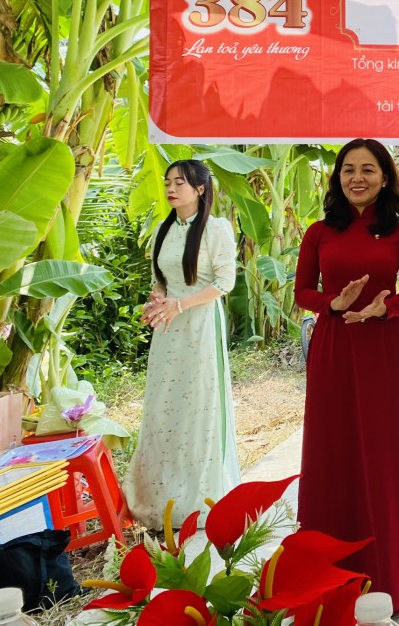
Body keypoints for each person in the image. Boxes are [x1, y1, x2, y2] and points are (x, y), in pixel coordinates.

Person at [294, 139, 399, 613]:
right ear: (338, 177)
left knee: (387, 455)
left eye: (368, 169)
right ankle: (327, 581)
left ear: (385, 177)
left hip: (385, 349)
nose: (357, 177)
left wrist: (383, 308)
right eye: (349, 169)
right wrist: (331, 304)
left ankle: (396, 577)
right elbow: (302, 292)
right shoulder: (319, 232)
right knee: (333, 453)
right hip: (334, 348)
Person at [127, 159, 240, 528]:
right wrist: (158, 301)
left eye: (179, 182)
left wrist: (181, 304)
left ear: (200, 189)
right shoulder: (164, 230)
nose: (171, 189)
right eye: (167, 182)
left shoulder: (215, 229)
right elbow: (162, 280)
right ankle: (162, 499)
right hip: (169, 328)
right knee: (165, 406)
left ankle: (201, 499)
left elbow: (224, 283)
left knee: (198, 407)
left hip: (201, 325)